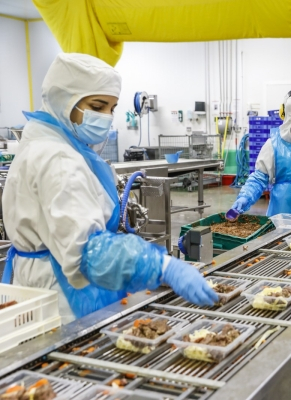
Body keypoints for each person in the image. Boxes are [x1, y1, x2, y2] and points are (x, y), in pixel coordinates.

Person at [2, 53, 218, 324]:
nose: (106, 116)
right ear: (63, 100)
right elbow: (88, 252)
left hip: (49, 281)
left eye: (112, 108)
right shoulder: (56, 158)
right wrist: (161, 265)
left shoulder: (49, 143)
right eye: (97, 105)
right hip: (62, 296)